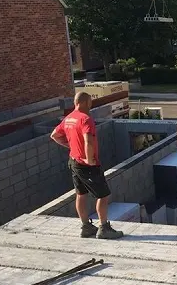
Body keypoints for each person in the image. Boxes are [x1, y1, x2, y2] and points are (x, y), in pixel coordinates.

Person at [50, 92, 124, 240]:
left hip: (74, 162)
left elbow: (54, 135)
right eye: (90, 102)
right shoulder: (85, 119)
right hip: (87, 165)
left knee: (81, 194)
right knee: (103, 195)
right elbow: (88, 141)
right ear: (83, 102)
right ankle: (104, 228)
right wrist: (89, 159)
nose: (91, 105)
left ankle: (86, 226)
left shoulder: (68, 118)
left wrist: (71, 147)